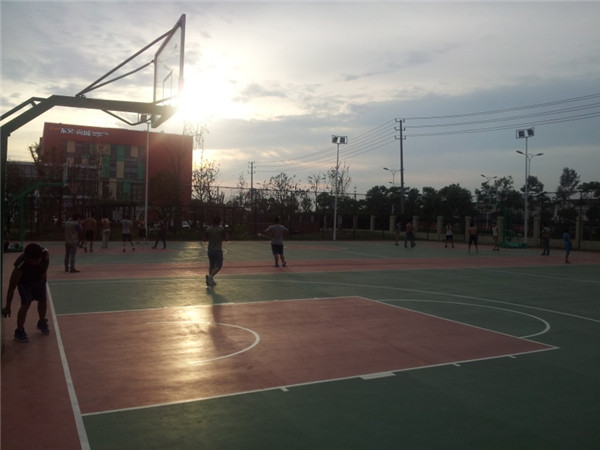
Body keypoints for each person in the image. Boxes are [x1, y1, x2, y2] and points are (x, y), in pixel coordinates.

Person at [2, 243, 51, 342]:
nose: (37, 262)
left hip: (39, 279)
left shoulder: (44, 253)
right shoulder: (20, 265)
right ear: (28, 259)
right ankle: (19, 331)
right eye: (34, 260)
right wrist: (8, 306)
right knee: (25, 304)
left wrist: (44, 273)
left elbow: (47, 260)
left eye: (38, 259)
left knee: (43, 300)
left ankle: (42, 322)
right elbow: (11, 287)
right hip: (25, 284)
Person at [204, 216, 229, 287]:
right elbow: (227, 239)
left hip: (210, 250)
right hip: (217, 250)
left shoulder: (208, 229)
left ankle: (210, 280)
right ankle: (210, 276)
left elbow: (204, 239)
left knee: (211, 265)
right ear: (219, 222)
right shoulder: (221, 229)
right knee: (218, 266)